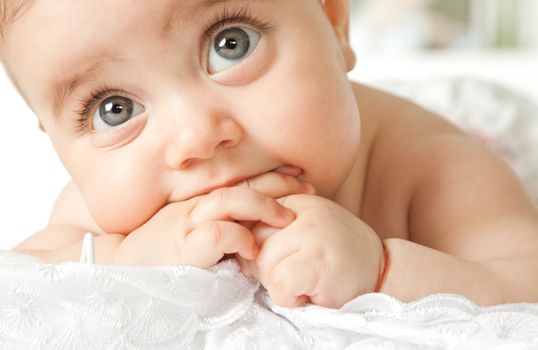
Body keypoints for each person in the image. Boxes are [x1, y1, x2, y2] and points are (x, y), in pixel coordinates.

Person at [1, 0, 537, 309]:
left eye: (230, 44)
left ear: (333, 22)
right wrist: (125, 257)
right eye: (113, 109)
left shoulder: (435, 166)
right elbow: (25, 276)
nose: (195, 139)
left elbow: (522, 285)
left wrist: (381, 268)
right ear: (56, 142)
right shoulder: (109, 214)